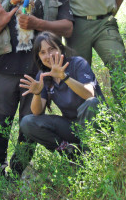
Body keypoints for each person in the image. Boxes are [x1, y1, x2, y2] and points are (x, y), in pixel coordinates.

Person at [0, 0, 74, 177]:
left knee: (30, 125)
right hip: (5, 66)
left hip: (38, 71)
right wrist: (0, 19)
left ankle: (15, 174)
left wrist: (37, 22)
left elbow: (68, 27)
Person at [15, 32, 103, 175]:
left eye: (52, 49)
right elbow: (37, 112)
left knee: (91, 103)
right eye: (42, 52)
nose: (48, 55)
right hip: (73, 127)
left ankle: (90, 157)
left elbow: (89, 94)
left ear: (61, 48)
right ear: (38, 56)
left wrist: (64, 77)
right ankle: (71, 152)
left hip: (97, 122)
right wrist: (37, 93)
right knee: (27, 122)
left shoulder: (78, 64)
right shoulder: (43, 75)